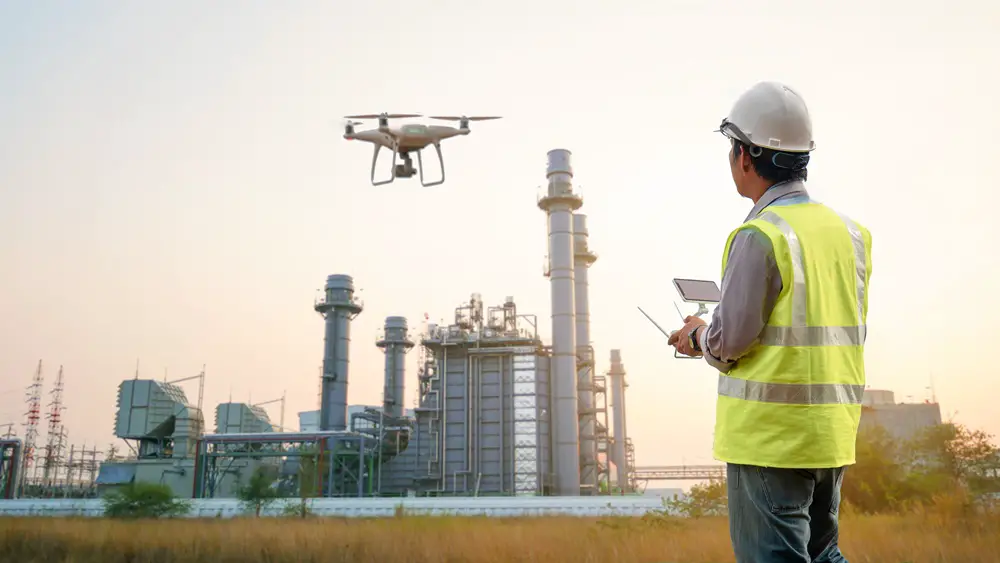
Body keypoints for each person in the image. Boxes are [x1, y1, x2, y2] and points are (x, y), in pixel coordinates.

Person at [667, 81, 872, 562]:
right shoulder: (852, 235)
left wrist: (695, 334)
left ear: (745, 155)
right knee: (824, 555)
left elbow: (729, 342)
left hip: (770, 443)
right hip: (832, 433)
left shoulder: (759, 234)